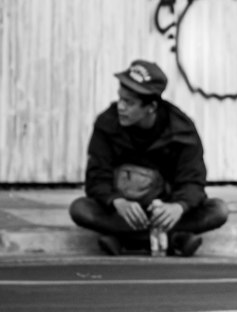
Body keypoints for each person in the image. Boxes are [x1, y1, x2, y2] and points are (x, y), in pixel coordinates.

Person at [69, 59, 228, 257]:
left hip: (165, 210)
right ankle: (175, 239)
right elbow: (96, 178)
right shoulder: (107, 123)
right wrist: (116, 201)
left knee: (218, 210)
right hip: (123, 212)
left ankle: (125, 239)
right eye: (120, 99)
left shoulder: (181, 130)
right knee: (80, 209)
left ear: (151, 107)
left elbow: (193, 181)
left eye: (129, 102)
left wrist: (179, 206)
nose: (121, 107)